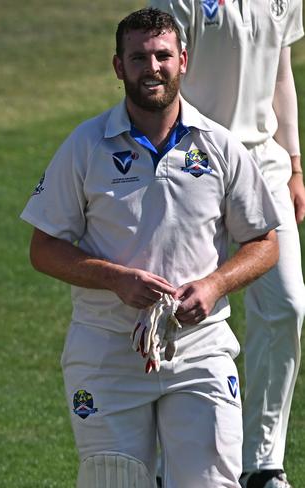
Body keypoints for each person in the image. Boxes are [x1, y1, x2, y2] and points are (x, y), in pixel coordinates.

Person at [21, 8, 281, 487]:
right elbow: (44, 248)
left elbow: (264, 241)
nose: (152, 67)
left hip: (200, 350)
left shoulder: (221, 146)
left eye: (163, 55)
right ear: (119, 66)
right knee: (112, 481)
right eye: (138, 57)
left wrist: (215, 284)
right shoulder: (86, 145)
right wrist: (116, 279)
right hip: (106, 351)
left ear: (184, 60)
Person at [147, 1, 305, 486]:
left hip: (265, 163)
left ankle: (262, 462)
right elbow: (163, 69)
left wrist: (295, 163)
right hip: (197, 159)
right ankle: (164, 463)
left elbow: (281, 75)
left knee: (287, 308)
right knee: (178, 313)